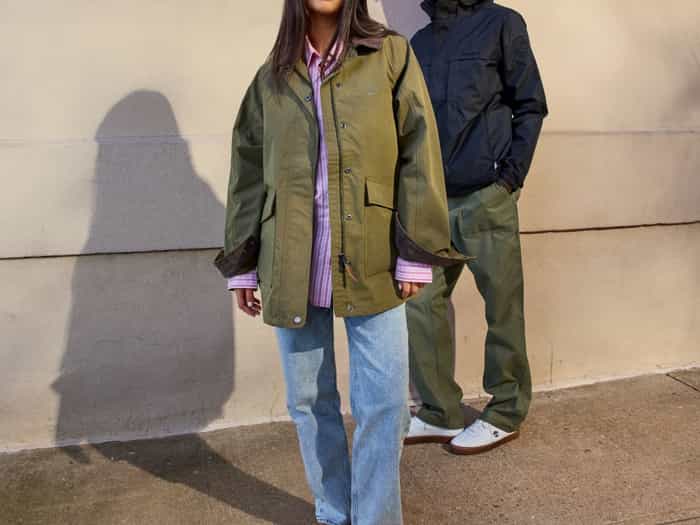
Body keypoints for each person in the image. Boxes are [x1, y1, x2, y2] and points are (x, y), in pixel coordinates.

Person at [214, 1, 464, 523]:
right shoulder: (273, 74)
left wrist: (414, 253)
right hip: (292, 264)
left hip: (373, 258)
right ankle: (334, 513)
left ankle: (374, 518)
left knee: (385, 405)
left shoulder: (389, 55)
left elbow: (420, 151)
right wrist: (242, 263)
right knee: (309, 402)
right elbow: (248, 170)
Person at [404, 0, 548, 454]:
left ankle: (505, 411)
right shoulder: (420, 42)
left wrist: (509, 179)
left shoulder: (502, 24)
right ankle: (439, 411)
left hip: (486, 198)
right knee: (420, 305)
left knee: (502, 306)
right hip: (431, 202)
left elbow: (531, 105)